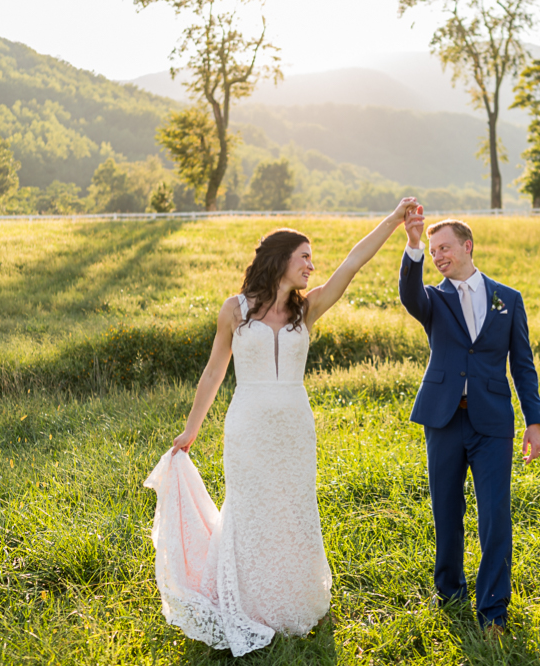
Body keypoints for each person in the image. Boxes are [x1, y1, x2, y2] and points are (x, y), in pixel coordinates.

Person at [143, 198, 425, 656]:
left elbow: (352, 263)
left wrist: (394, 222)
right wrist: (190, 431)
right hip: (248, 426)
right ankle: (249, 603)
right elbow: (213, 374)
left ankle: (288, 601)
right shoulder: (234, 311)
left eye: (312, 259)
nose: (313, 266)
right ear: (280, 262)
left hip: (294, 427)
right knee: (251, 509)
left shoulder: (307, 310)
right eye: (305, 258)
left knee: (293, 509)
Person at [397, 216, 540, 635]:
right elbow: (409, 294)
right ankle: (449, 591)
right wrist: (413, 246)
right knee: (446, 508)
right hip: (443, 418)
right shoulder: (431, 299)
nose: (439, 255)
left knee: (495, 514)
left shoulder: (508, 299)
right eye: (434, 249)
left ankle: (493, 610)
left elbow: (523, 364)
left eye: (444, 247)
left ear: (468, 246)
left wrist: (534, 421)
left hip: (492, 421)